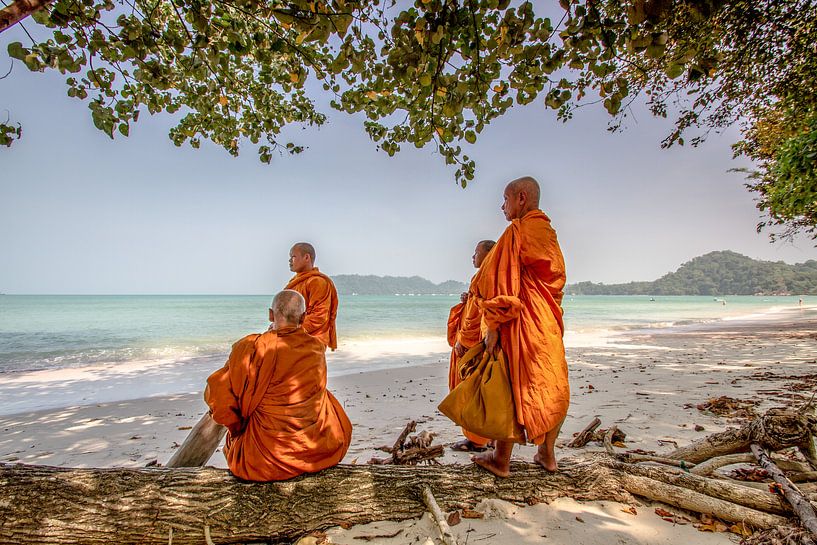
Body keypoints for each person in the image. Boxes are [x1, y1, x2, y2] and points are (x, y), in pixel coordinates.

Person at [470, 176, 570, 477]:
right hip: (546, 321)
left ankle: (501, 460)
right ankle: (547, 455)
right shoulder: (548, 233)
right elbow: (556, 278)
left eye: (505, 199)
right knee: (553, 384)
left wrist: (494, 327)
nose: (502, 206)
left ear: (521, 198)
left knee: (510, 383)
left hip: (521, 321)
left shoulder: (518, 232)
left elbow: (493, 282)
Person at [205, 290, 352, 481]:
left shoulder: (252, 347)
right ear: (304, 317)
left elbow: (219, 396)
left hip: (263, 459)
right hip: (316, 450)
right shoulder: (315, 348)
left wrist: (238, 427)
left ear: (270, 315)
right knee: (326, 398)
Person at [446, 240, 496, 452]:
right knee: (486, 391)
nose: (472, 257)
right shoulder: (485, 276)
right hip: (481, 341)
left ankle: (476, 440)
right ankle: (492, 437)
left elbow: (482, 314)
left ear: (488, 254)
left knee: (472, 392)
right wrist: (469, 300)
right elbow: (479, 306)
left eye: (476, 252)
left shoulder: (487, 275)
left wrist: (462, 341)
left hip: (474, 344)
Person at [284, 242, 339, 351]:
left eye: (293, 256)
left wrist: (290, 329)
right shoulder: (294, 282)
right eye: (290, 257)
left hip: (312, 341)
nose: (290, 260)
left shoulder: (317, 282)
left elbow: (319, 316)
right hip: (292, 335)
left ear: (306, 257)